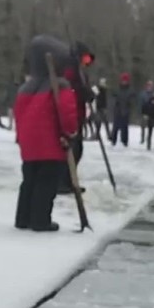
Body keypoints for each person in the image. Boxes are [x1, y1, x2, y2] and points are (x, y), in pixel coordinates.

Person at [13, 36, 78, 233]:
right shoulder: (60, 86)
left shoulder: (26, 88)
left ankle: (23, 217)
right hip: (50, 143)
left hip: (30, 144)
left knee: (29, 181)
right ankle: (40, 219)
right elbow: (67, 114)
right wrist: (70, 132)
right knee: (46, 183)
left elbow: (19, 113)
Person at [57, 41, 94, 194]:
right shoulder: (70, 70)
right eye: (85, 59)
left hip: (78, 115)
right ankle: (63, 181)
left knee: (77, 149)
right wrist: (82, 92)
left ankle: (69, 180)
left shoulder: (80, 72)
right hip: (70, 115)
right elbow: (67, 89)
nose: (86, 63)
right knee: (72, 150)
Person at [110, 72, 135, 147]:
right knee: (115, 126)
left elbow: (133, 100)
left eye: (125, 81)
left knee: (125, 127)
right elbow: (113, 98)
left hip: (126, 110)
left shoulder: (130, 91)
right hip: (117, 110)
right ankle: (113, 140)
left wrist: (129, 105)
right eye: (123, 80)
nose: (124, 82)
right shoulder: (117, 90)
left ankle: (124, 141)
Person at [138, 80, 154, 144]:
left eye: (151, 86)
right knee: (143, 127)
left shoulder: (153, 94)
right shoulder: (142, 94)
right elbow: (140, 104)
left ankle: (149, 138)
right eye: (148, 85)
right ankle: (142, 138)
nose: (149, 87)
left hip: (151, 113)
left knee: (150, 127)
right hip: (144, 113)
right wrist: (141, 113)